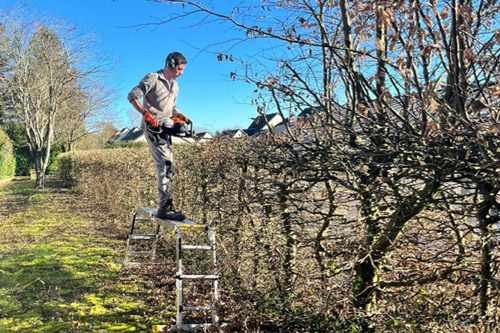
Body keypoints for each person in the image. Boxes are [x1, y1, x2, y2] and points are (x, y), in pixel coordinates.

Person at [127, 52, 192, 220]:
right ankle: (164, 207)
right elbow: (132, 96)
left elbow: (173, 109)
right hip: (153, 128)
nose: (181, 73)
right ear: (170, 65)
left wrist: (181, 116)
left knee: (169, 167)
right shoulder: (153, 78)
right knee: (164, 165)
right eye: (179, 69)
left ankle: (167, 204)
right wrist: (146, 115)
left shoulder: (175, 86)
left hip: (166, 128)